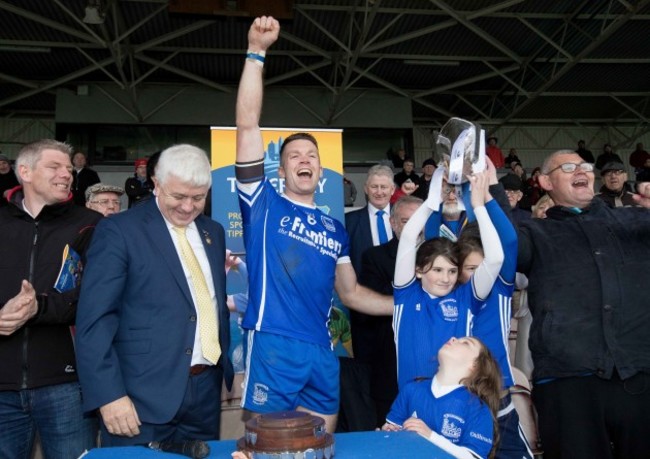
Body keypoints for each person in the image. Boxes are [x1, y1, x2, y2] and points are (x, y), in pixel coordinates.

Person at [234, 16, 392, 434]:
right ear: (281, 169)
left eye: (311, 155)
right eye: (295, 156)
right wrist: (256, 53)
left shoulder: (334, 229)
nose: (304, 160)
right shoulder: (262, 203)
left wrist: (406, 305)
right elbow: (248, 125)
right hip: (274, 343)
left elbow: (352, 293)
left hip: (323, 351)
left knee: (320, 444)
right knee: (266, 444)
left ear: (321, 171)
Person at [75, 145, 234, 446]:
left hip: (205, 393)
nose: (188, 207)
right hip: (138, 398)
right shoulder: (119, 230)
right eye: (179, 196)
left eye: (198, 197)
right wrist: (109, 395)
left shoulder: (214, 231)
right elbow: (95, 319)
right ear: (156, 184)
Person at [517, 150, 650, 458]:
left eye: (585, 166)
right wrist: (488, 193)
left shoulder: (635, 221)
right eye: (568, 167)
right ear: (544, 181)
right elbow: (495, 248)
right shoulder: (534, 232)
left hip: (640, 369)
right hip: (567, 378)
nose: (581, 171)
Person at [0, 139, 101, 458]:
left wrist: (38, 307)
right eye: (55, 166)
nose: (66, 174)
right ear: (25, 172)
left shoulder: (90, 225)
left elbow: (97, 298)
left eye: (70, 168)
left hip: (67, 385)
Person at [393, 170, 504, 389]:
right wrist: (433, 200)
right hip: (410, 400)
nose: (446, 278)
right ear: (419, 271)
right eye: (437, 270)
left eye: (452, 271)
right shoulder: (406, 294)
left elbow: (496, 258)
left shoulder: (465, 297)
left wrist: (479, 207)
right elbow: (407, 238)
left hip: (458, 400)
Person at [457, 213, 534, 458]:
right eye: (471, 268)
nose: (480, 274)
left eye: (484, 267)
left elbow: (509, 241)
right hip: (459, 393)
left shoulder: (500, 290)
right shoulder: (450, 296)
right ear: (456, 271)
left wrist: (481, 204)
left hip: (496, 389)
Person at [357, 195, 423, 427]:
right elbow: (374, 304)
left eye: (420, 221)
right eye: (407, 221)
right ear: (393, 223)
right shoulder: (374, 257)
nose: (415, 228)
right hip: (390, 362)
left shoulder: (442, 256)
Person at [383, 337, 501, 459]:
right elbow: (392, 437)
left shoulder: (478, 409)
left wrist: (430, 436)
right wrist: (387, 433)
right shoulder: (412, 389)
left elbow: (473, 457)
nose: (453, 338)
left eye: (466, 343)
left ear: (475, 365)